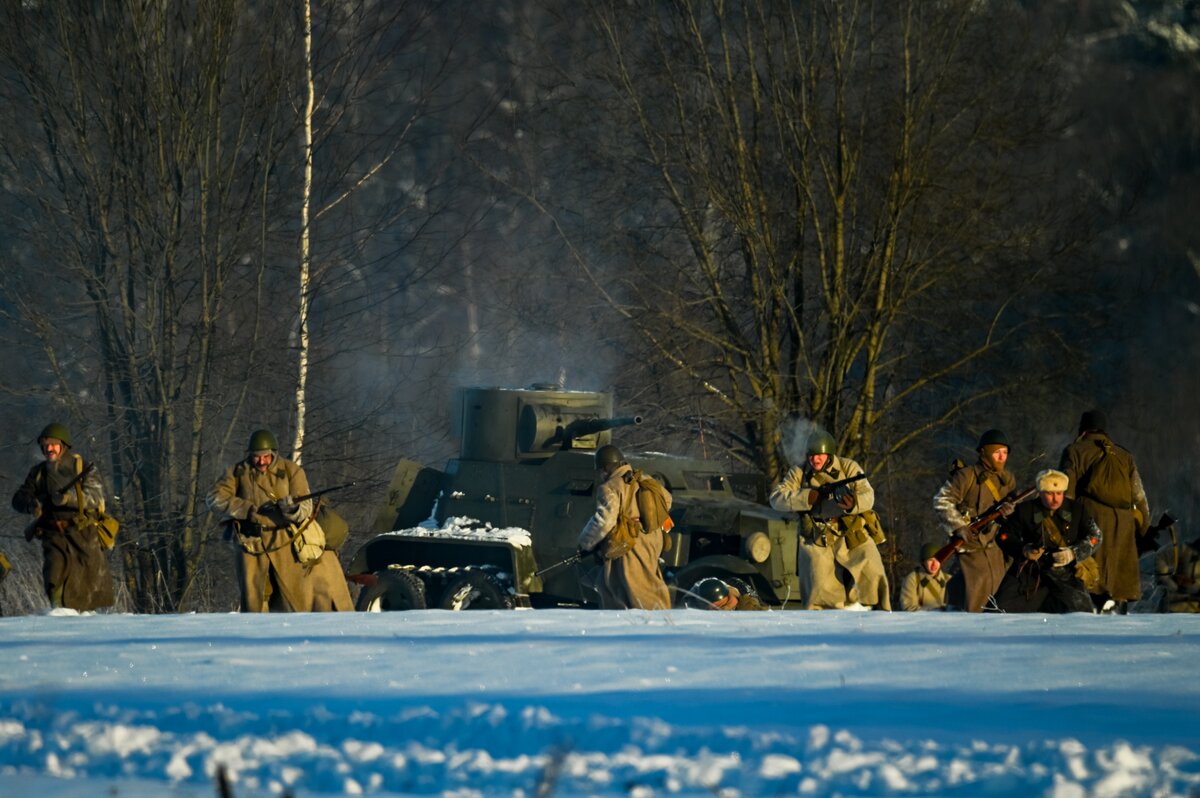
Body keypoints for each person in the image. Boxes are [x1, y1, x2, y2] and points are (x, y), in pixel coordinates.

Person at [207, 429, 353, 612]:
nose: (261, 462)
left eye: (266, 457)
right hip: (251, 544)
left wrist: (291, 508)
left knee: (299, 601)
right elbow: (214, 498)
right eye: (256, 457)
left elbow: (306, 508)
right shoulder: (237, 472)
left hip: (286, 543)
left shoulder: (292, 471)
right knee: (255, 602)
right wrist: (247, 510)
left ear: (274, 453)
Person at [769, 430, 890, 610]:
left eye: (819, 456)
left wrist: (854, 503)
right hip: (816, 537)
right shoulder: (799, 472)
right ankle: (823, 624)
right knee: (818, 584)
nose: (814, 460)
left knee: (872, 568)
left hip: (851, 533)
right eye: (811, 456)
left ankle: (880, 613)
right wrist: (807, 497)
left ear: (829, 454)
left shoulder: (848, 467)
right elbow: (776, 498)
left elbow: (868, 494)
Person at [11, 423, 115, 611]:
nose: (49, 448)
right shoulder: (38, 473)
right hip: (53, 536)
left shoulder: (82, 468)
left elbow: (95, 498)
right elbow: (18, 499)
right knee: (54, 579)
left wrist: (68, 499)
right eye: (45, 444)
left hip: (83, 535)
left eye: (53, 444)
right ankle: (60, 619)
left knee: (88, 586)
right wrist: (31, 505)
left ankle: (89, 625)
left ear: (63, 445)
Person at [1059, 410, 1150, 613]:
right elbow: (1139, 496)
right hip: (1123, 523)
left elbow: (1066, 492)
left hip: (1089, 517)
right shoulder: (1124, 456)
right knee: (1118, 580)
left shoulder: (1075, 450)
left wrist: (1063, 526)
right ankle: (1117, 613)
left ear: (1083, 429)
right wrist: (1143, 529)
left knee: (1091, 577)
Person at [932, 429, 1018, 612]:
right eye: (997, 453)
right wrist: (959, 527)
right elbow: (941, 501)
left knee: (999, 593)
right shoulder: (967, 476)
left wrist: (1010, 512)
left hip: (996, 545)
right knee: (978, 592)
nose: (1002, 457)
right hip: (971, 545)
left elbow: (1015, 510)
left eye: (1005, 453)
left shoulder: (1008, 479)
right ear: (984, 453)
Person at [993, 469, 1102, 613]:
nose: (1055, 498)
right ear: (1041, 492)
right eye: (1050, 494)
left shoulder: (1077, 510)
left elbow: (1095, 536)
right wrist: (1023, 550)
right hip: (1029, 573)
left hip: (1066, 573)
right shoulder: (1025, 510)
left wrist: (1073, 553)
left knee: (1081, 614)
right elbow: (1003, 536)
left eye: (1059, 493)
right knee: (998, 611)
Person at [577, 444, 671, 610]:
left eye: (600, 470)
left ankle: (652, 626)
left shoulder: (610, 487)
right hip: (653, 538)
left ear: (606, 467)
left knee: (634, 589)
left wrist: (585, 542)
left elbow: (604, 521)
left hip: (629, 542)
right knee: (641, 581)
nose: (600, 474)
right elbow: (667, 500)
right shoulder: (645, 479)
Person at [899, 543, 951, 611]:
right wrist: (934, 611)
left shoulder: (950, 580)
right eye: (930, 560)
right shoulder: (913, 579)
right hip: (922, 621)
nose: (934, 564)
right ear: (923, 562)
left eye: (938, 560)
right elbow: (908, 608)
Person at [682, 576, 766, 611]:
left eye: (721, 605)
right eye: (714, 608)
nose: (718, 610)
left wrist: (726, 608)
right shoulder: (692, 599)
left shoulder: (747, 602)